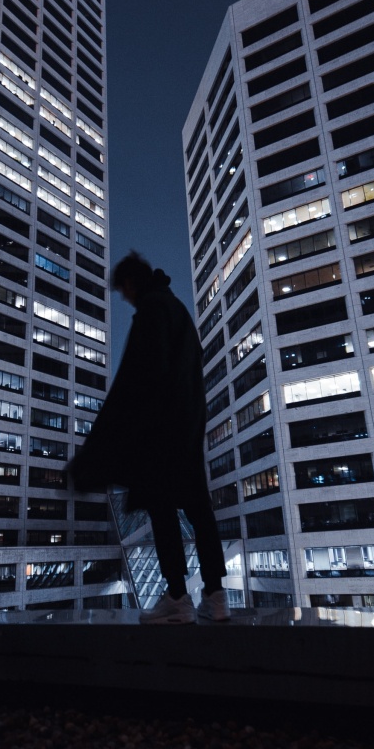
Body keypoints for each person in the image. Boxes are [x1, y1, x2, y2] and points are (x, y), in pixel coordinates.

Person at [69, 251, 230, 624]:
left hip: (161, 432)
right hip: (188, 427)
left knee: (162, 511)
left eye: (123, 292)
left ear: (130, 283)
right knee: (199, 511)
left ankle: (177, 597)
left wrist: (98, 449)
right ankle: (216, 595)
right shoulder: (177, 311)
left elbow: (133, 382)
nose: (125, 299)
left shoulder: (152, 313)